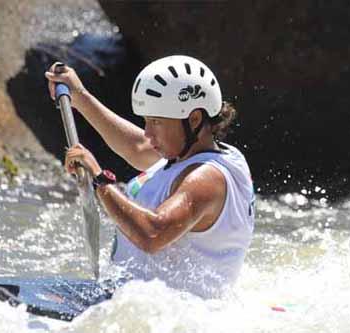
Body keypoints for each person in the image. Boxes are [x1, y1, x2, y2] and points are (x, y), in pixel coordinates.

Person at [45, 55, 255, 298]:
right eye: (146, 121)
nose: (148, 132)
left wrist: (99, 179)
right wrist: (79, 96)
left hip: (177, 318)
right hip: (146, 306)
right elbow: (137, 147)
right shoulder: (193, 154)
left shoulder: (206, 179)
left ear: (194, 119)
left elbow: (153, 234)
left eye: (156, 121)